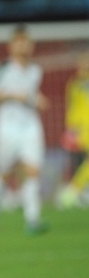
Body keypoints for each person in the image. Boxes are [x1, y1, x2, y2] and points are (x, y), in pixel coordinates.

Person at [0, 25, 49, 234]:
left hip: (30, 126)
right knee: (4, 174)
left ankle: (33, 220)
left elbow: (31, 95)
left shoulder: (36, 70)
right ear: (11, 46)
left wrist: (39, 100)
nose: (23, 46)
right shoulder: (2, 68)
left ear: (32, 46)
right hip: (7, 128)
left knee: (33, 171)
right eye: (19, 42)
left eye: (26, 42)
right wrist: (12, 96)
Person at [58, 49, 89, 207]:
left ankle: (75, 191)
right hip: (83, 128)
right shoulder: (75, 84)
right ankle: (73, 191)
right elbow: (71, 106)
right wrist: (70, 128)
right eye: (84, 62)